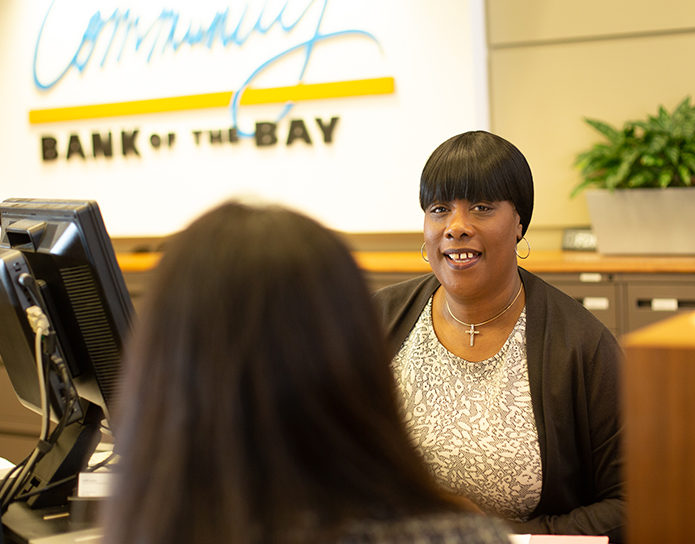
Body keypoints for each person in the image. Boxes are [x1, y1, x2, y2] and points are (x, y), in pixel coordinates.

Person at [102, 201, 511, 543]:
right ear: (353, 355)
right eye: (440, 209)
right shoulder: (454, 537)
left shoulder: (141, 526)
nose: (457, 228)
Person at [373, 131, 625, 541]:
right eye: (439, 209)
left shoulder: (582, 347)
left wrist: (488, 535)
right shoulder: (378, 320)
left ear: (519, 223)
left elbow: (626, 507)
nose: (456, 227)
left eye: (482, 208)